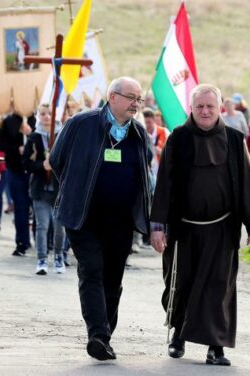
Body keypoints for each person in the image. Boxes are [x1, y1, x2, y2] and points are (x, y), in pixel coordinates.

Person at [150, 84, 250, 366]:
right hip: (184, 228)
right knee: (181, 284)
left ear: (220, 109)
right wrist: (157, 226)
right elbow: (164, 184)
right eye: (200, 106)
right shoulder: (178, 139)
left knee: (219, 287)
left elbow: (246, 184)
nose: (205, 111)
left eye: (210, 106)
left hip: (222, 229)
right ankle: (178, 335)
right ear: (192, 108)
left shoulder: (233, 139)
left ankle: (216, 347)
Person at [49, 77, 151, 361]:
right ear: (113, 97)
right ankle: (98, 334)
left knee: (113, 278)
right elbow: (57, 160)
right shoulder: (81, 124)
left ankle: (105, 335)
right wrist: (75, 190)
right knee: (91, 269)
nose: (136, 104)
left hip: (120, 221)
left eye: (139, 99)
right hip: (84, 216)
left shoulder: (140, 135)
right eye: (131, 97)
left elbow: (145, 176)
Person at [23, 104, 66, 275]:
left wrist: (55, 167)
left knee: (59, 227)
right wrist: (42, 165)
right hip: (40, 189)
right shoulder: (34, 138)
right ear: (38, 116)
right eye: (43, 114)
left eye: (50, 113)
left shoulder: (62, 136)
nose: (47, 116)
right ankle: (41, 259)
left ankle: (58, 257)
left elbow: (69, 162)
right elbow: (25, 163)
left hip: (58, 190)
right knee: (42, 226)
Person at [0, 112, 35, 256]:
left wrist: (30, 135)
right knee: (20, 208)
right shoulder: (9, 121)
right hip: (16, 170)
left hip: (35, 173)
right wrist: (16, 148)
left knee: (38, 208)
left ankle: (42, 241)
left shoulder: (36, 118)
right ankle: (22, 242)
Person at [143, 108, 170, 181]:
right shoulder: (141, 134)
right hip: (148, 174)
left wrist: (161, 152)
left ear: (154, 120)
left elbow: (172, 153)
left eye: (149, 122)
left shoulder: (164, 132)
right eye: (145, 122)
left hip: (163, 172)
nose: (147, 125)